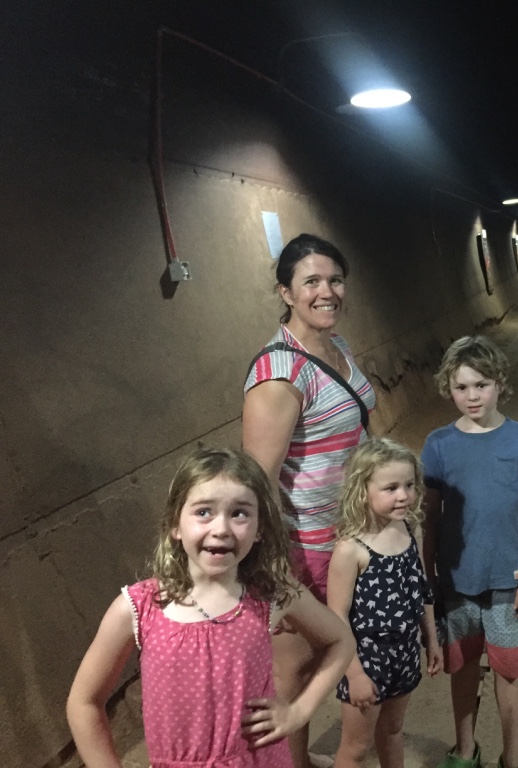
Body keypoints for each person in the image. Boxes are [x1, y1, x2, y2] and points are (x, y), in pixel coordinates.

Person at [66, 448, 355, 768]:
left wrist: (298, 713)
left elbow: (339, 641)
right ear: (175, 524)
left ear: (260, 528)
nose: (221, 529)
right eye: (204, 512)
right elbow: (83, 702)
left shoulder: (271, 596)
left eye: (239, 513)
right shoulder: (138, 608)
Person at [242, 233, 375, 768]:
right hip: (304, 548)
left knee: (337, 656)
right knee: (293, 673)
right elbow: (258, 482)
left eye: (335, 280)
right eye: (312, 281)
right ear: (286, 292)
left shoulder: (337, 347)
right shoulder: (278, 373)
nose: (327, 292)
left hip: (349, 537)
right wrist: (274, 571)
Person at [421, 336, 518, 768]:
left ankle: (511, 758)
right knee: (461, 668)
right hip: (456, 581)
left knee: (510, 672)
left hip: (508, 582)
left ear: (499, 383)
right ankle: (465, 750)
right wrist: (428, 577)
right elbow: (431, 517)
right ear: (449, 389)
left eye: (481, 385)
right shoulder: (438, 444)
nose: (472, 396)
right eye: (461, 387)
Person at [327, 437, 443, 768]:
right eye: (391, 488)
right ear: (362, 490)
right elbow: (337, 617)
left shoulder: (409, 529)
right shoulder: (351, 549)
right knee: (357, 746)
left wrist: (431, 639)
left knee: (393, 731)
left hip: (405, 652)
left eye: (409, 485)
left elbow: (422, 589)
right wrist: (354, 674)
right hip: (366, 658)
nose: (403, 495)